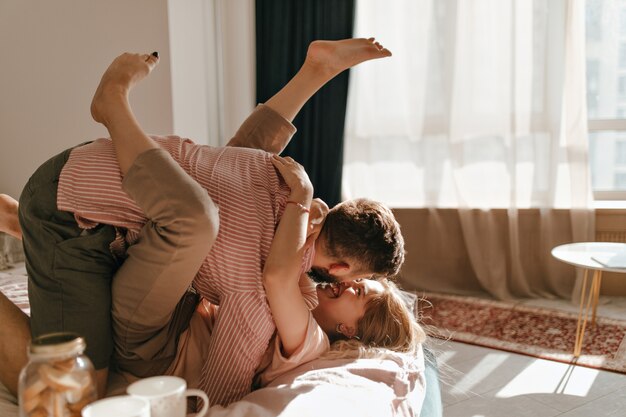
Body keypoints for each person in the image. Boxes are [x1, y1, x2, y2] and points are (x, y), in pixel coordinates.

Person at [0, 38, 412, 406]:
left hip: (126, 245)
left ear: (349, 331)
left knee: (220, 208)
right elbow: (273, 280)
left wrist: (302, 198)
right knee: (74, 387)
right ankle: (44, 214)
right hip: (85, 221)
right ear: (339, 264)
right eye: (357, 282)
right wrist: (300, 205)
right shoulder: (283, 270)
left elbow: (277, 277)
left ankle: (24, 224)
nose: (343, 285)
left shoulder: (312, 336)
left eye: (357, 291)